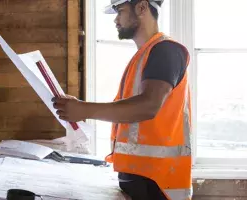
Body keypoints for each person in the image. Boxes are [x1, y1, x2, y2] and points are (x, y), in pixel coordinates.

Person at [52, 0, 192, 199]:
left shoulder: (166, 51)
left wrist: (85, 110)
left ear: (142, 7)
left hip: (158, 183)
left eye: (120, 11)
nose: (116, 19)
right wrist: (81, 108)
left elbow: (148, 106)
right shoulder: (145, 55)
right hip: (143, 178)